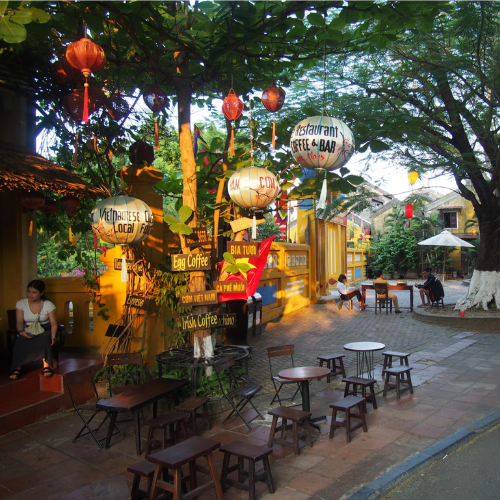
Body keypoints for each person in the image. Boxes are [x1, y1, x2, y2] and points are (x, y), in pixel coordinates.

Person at [9, 280, 58, 379]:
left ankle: (46, 366)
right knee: (20, 340)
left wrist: (53, 336)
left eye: (34, 292)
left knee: (45, 337)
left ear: (41, 293)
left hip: (44, 329)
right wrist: (21, 332)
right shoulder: (21, 303)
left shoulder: (48, 304)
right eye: (29, 291)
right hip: (28, 328)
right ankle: (17, 368)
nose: (30, 295)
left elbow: (53, 323)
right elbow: (19, 322)